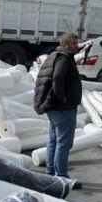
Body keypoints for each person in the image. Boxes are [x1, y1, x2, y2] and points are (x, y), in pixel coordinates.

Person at [33, 32, 83, 183]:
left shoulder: (53, 55)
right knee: (63, 144)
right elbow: (57, 77)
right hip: (62, 108)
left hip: (53, 107)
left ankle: (51, 174)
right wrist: (62, 98)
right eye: (74, 43)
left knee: (54, 141)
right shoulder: (64, 58)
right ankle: (61, 177)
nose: (77, 45)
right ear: (65, 45)